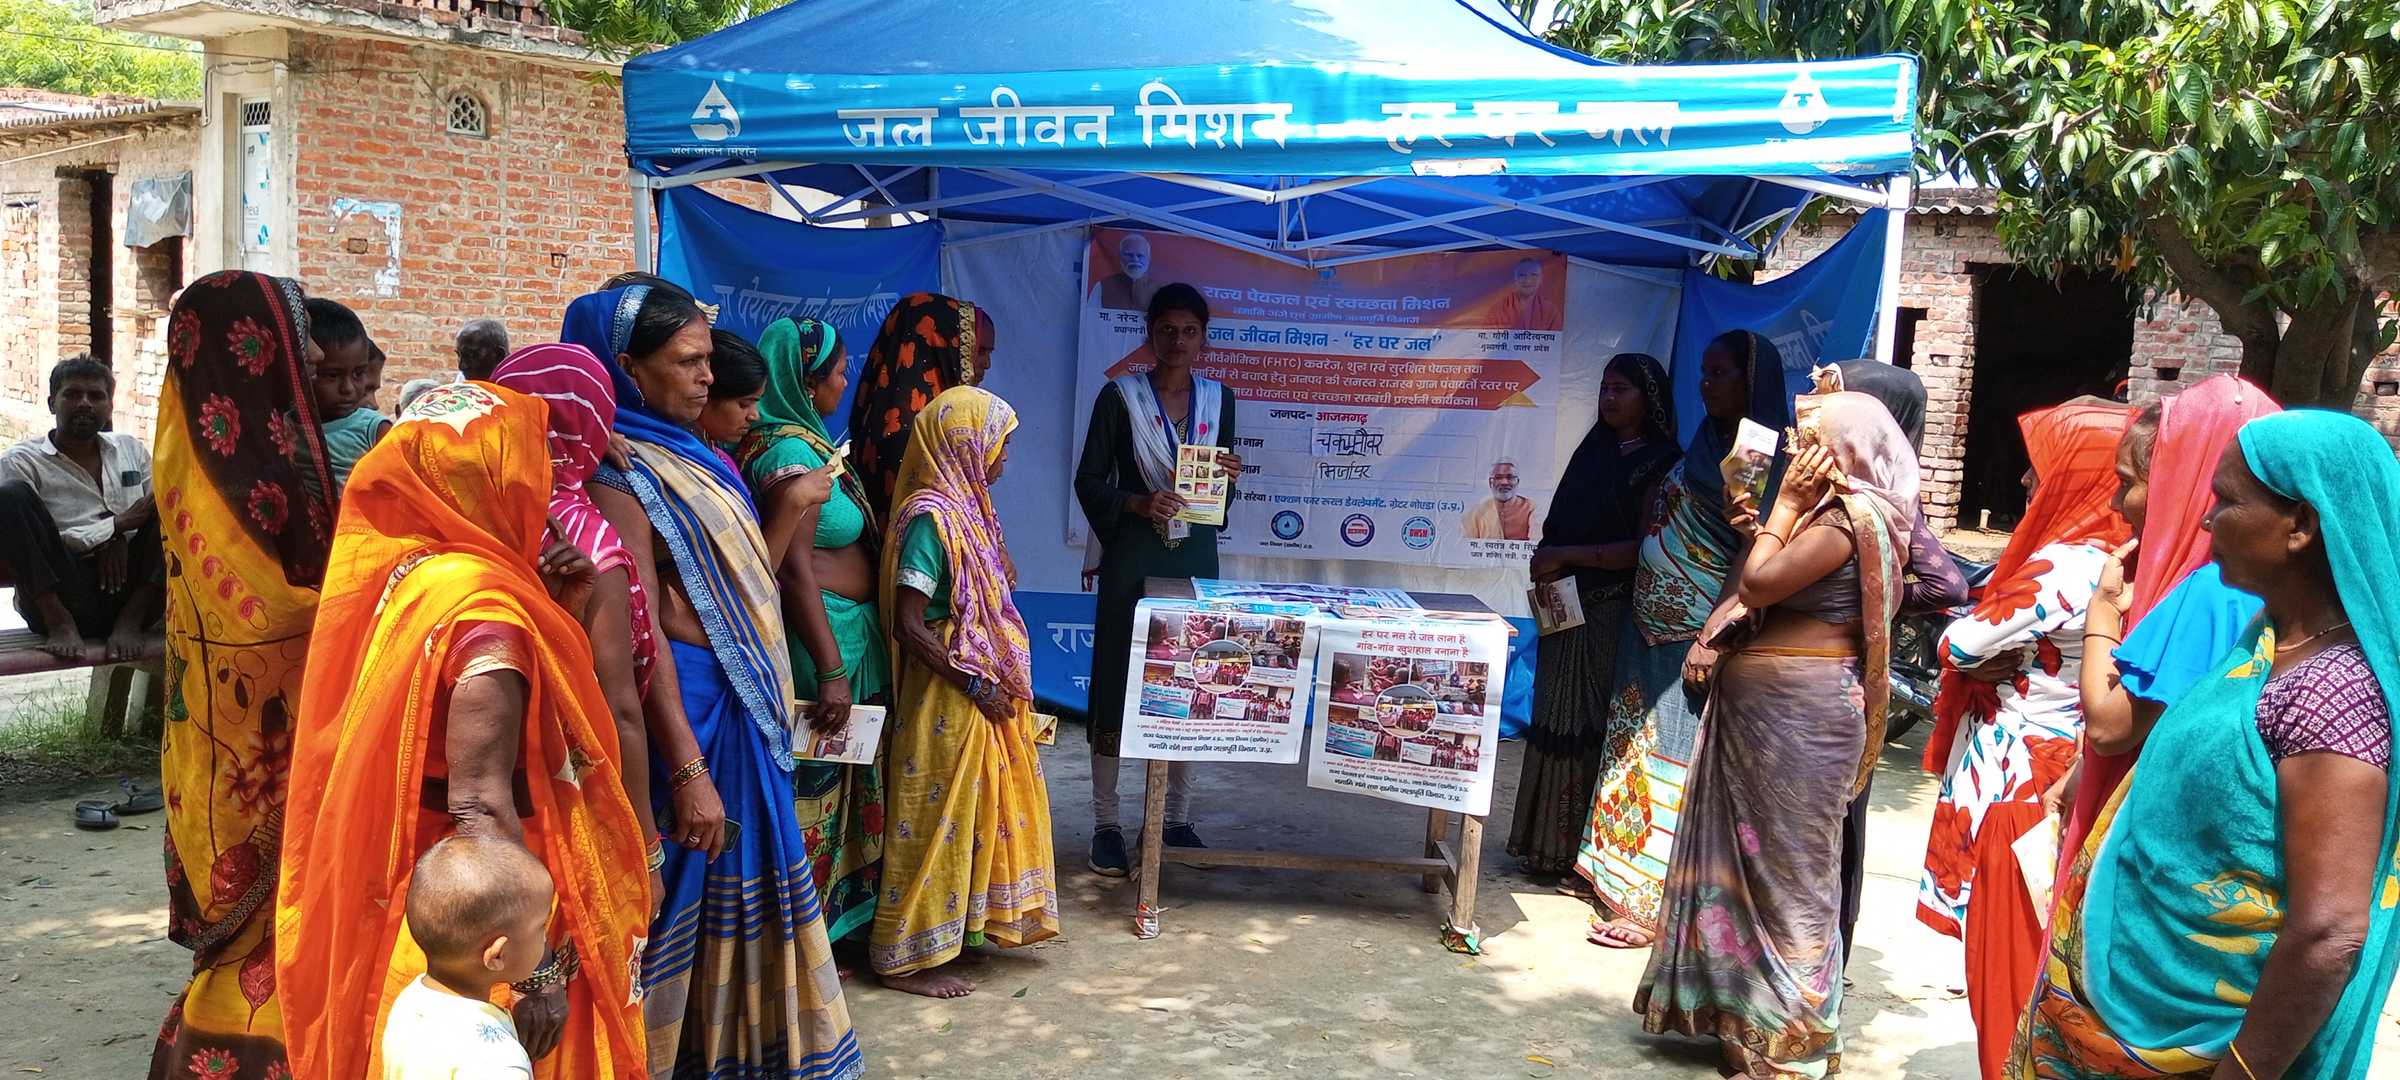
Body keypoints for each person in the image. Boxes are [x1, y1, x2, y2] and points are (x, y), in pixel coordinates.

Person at [276, 382, 649, 1079]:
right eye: (529, 467)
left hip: (419, 882)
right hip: (488, 897)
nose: (542, 486)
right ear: (488, 483)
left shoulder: (410, 574)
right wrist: (535, 976)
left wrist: (556, 612)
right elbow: (479, 803)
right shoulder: (487, 616)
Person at [2013, 409, 2400, 1079]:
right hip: (2122, 1018)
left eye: (2226, 501)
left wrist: (2242, 1072)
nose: (2204, 519)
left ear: (2301, 525)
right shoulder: (2266, 642)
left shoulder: (2332, 692)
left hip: (2200, 1048)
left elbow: (2329, 930)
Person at [570, 285, 863, 1080]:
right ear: (626, 368)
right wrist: (689, 769)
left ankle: (742, 1053)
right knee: (683, 889)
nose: (707, 377)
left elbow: (735, 584)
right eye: (686, 362)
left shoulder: (693, 452)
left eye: (708, 360)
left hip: (738, 701)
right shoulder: (616, 472)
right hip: (689, 718)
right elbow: (640, 638)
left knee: (741, 883)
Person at [1636, 389, 1916, 1078]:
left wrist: (1783, 511)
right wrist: (1758, 526)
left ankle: (1791, 1035)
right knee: (1745, 869)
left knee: (1789, 876)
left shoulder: (1847, 520)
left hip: (1800, 721)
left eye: (1811, 439)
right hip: (1762, 719)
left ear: (1847, 448)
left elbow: (1759, 585)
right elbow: (1768, 576)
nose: (1796, 451)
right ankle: (1738, 1017)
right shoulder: (1830, 514)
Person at [148, 270, 332, 1078]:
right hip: (254, 729)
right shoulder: (237, 469)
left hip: (227, 724)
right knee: (267, 919)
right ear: (252, 349)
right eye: (299, 337)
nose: (314, 355)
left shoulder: (241, 447)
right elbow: (268, 609)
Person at [1914, 400, 2132, 1078]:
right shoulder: (2132, 560)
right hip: (2072, 761)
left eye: (2041, 466)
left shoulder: (2066, 564)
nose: (2025, 481)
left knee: (2006, 956)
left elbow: (1960, 641)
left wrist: (1981, 652)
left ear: (2076, 474)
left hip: (2021, 777)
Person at [1577, 330, 1792, 948]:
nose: (1705, 384)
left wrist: (1712, 634)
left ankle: (1652, 906)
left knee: (1672, 756)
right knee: (1632, 747)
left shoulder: (1755, 452)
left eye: (1720, 373)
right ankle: (1615, 877)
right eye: (1703, 371)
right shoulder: (1708, 443)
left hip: (1691, 633)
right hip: (1648, 626)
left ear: (1752, 382)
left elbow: (1751, 550)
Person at [874, 385, 1060, 996]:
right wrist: (977, 683)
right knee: (937, 819)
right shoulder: (932, 519)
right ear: (966, 445)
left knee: (975, 817)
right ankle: (905, 958)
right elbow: (909, 624)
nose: (1004, 458)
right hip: (947, 693)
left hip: (976, 686)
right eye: (998, 445)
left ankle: (960, 933)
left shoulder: (971, 511)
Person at [2061, 375, 2278, 865]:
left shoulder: (2211, 590)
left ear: (2183, 483)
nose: (2114, 504)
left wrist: (2101, 615)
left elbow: (2109, 728)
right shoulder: (2269, 586)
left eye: (2127, 483)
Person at [489, 343, 668, 911]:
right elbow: (619, 709)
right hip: (566, 787)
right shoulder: (587, 545)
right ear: (589, 427)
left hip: (484, 773)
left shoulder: (478, 514)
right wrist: (647, 848)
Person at [1073, 283, 1241, 875]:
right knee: (1117, 681)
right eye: (1167, 329)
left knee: (1194, 678)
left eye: (1189, 330)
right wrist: (1137, 504)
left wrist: (1227, 478)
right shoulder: (1119, 397)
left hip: (1193, 556)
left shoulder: (1219, 400)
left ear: (1203, 338)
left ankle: (1174, 818)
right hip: (1133, 555)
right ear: (1149, 333)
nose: (1177, 340)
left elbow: (1217, 501)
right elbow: (1089, 480)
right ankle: (1106, 823)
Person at [736, 317, 887, 948]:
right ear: (807, 380)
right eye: (838, 372)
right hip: (820, 645)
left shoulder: (806, 445)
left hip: (845, 635)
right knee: (814, 795)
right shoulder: (789, 457)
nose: (844, 384)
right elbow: (793, 570)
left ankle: (832, 931)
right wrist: (829, 670)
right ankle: (804, 941)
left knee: (840, 791)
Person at [1506, 354, 1678, 878]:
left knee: (1591, 723)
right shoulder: (1594, 450)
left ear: (1649, 398)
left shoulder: (1663, 463)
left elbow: (1644, 546)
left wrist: (1567, 555)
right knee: (1554, 716)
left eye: (1621, 389)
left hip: (1610, 609)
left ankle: (1586, 855)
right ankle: (1544, 846)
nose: (1609, 398)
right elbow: (1561, 522)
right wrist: (1548, 557)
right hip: (1564, 604)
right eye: (1604, 387)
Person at [0, 355, 161, 661]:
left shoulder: (130, 449)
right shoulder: (21, 461)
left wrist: (118, 536)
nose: (85, 403)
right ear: (52, 404)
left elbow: (152, 508)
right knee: (8, 497)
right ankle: (59, 623)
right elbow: (34, 542)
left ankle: (130, 622)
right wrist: (112, 527)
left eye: (96, 396)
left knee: (173, 507)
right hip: (62, 594)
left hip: (131, 596)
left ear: (109, 407)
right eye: (73, 394)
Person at [379, 837, 554, 1080]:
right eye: (541, 926)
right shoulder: (498, 1063)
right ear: (498, 955)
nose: (545, 936)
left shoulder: (410, 1001)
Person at [848, 293, 996, 519]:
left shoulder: (886, 416)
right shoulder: (908, 433)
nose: (987, 364)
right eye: (980, 351)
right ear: (941, 344)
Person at [306, 297, 391, 494]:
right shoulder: (287, 427)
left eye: (358, 373)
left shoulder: (374, 430)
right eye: (332, 375)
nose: (348, 388)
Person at [697, 327, 767, 455]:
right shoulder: (674, 456)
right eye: (744, 404)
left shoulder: (715, 455)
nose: (754, 416)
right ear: (706, 395)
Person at [1463, 459, 1538, 540]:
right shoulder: (1476, 513)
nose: (1504, 482)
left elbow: (1537, 542)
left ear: (1517, 482)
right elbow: (1467, 544)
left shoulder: (1531, 508)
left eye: (1510, 477)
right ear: (1490, 483)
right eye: (1498, 477)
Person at [1092, 232, 1158, 311]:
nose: (1135, 259)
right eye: (1129, 255)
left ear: (1149, 258)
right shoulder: (1102, 286)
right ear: (1120, 257)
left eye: (1140, 255)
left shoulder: (1159, 289)